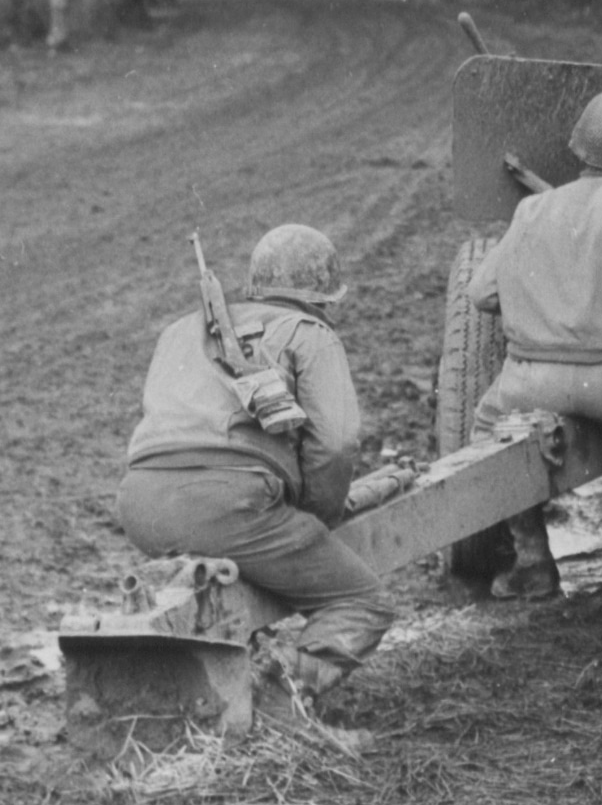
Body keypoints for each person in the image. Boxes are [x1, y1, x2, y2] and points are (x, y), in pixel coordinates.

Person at [117, 224, 395, 703]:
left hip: (140, 504)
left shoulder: (178, 331)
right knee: (361, 601)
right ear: (325, 299)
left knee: (236, 575)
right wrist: (316, 520)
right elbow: (335, 445)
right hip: (229, 505)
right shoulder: (311, 333)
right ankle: (285, 703)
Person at [466, 89, 602, 599]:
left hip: (528, 384)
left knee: (486, 429)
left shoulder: (533, 208)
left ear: (579, 150)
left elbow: (481, 293)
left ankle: (532, 560)